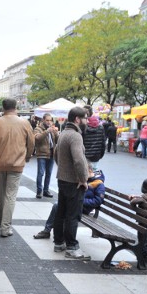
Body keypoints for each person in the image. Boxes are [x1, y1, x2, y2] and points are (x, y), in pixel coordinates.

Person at [0, 98, 34, 237]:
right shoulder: (24, 123)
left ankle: (1, 220)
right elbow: (31, 143)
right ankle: (5, 226)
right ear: (16, 107)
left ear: (3, 107)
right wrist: (27, 156)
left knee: (0, 193)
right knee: (10, 195)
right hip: (17, 163)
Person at [53, 106, 91, 260]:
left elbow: (56, 154)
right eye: (85, 118)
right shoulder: (75, 136)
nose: (87, 121)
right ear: (77, 119)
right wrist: (83, 179)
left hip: (62, 178)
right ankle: (72, 247)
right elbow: (79, 160)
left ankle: (59, 242)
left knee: (61, 212)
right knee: (72, 215)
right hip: (73, 182)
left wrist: (63, 169)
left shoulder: (63, 133)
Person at [33, 166, 105, 240]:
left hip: (84, 208)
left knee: (62, 207)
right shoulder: (86, 180)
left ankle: (60, 236)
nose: (82, 175)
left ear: (90, 171)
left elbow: (97, 201)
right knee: (57, 205)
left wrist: (81, 201)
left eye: (83, 172)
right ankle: (47, 231)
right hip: (77, 203)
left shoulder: (99, 184)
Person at [33, 113, 59, 198]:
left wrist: (57, 133)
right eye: (47, 120)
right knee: (40, 173)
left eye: (50, 120)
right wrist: (47, 131)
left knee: (49, 173)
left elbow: (58, 140)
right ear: (43, 120)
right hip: (42, 154)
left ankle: (46, 190)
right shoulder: (38, 129)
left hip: (51, 154)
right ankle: (39, 191)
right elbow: (37, 138)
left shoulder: (52, 129)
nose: (49, 122)